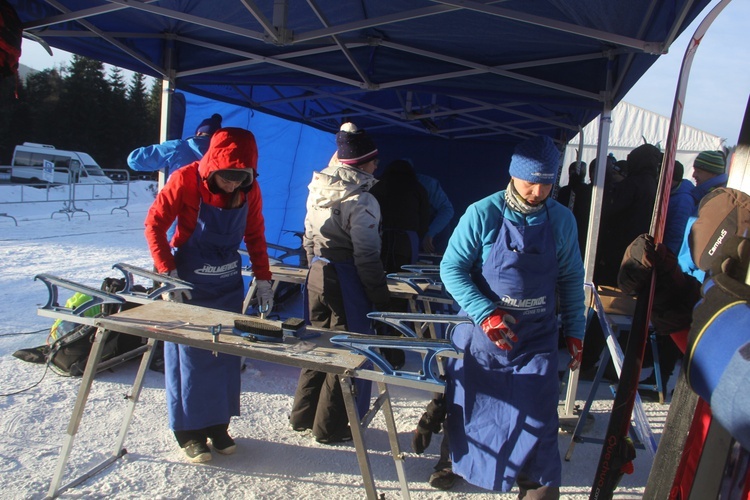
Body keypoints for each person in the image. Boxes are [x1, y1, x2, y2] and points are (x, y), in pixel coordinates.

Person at [427, 135, 586, 495]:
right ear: (513, 174)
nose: (538, 190)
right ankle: (452, 460)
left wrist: (576, 329)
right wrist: (485, 313)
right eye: (531, 181)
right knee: (472, 405)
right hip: (487, 335)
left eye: (547, 182)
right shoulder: (482, 213)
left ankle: (537, 490)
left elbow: (571, 278)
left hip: (536, 336)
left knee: (540, 417)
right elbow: (452, 268)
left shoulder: (562, 221)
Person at [144, 127, 274, 463]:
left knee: (226, 354)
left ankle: (218, 424)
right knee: (191, 357)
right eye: (226, 178)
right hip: (188, 279)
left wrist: (264, 280)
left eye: (239, 180)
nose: (232, 186)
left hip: (227, 281)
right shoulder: (185, 179)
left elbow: (256, 234)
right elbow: (155, 225)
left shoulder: (249, 190)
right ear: (212, 169)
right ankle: (188, 432)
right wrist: (166, 273)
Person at [288, 122, 390, 444]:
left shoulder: (318, 188)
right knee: (347, 350)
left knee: (319, 343)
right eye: (374, 160)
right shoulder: (360, 200)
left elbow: (308, 235)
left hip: (318, 272)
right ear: (361, 163)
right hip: (347, 279)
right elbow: (367, 256)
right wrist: (378, 294)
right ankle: (330, 426)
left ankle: (303, 415)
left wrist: (310, 267)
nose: (377, 165)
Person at [369, 159, 431, 274]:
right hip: (407, 240)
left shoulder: (377, 185)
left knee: (379, 273)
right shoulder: (418, 188)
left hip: (380, 238)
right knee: (405, 275)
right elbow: (424, 218)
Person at [128, 113, 223, 178]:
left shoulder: (177, 147)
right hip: (210, 207)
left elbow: (134, 160)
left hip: (178, 205)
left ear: (198, 133)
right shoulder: (223, 156)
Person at [414, 170, 455, 254]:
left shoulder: (427, 183)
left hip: (433, 237)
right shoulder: (385, 184)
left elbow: (447, 209)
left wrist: (430, 233)